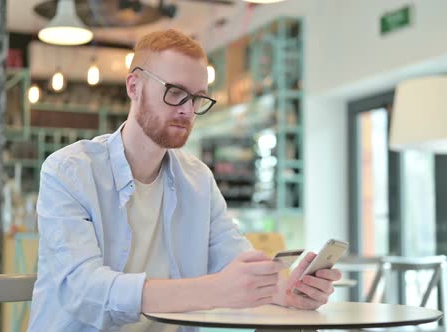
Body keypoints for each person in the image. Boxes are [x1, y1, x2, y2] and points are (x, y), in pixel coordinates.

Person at [27, 29, 341, 332]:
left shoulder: (198, 180)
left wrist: (287, 291)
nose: (187, 110)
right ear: (134, 87)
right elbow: (85, 290)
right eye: (175, 92)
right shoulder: (68, 171)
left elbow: (235, 262)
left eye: (198, 98)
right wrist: (214, 290)